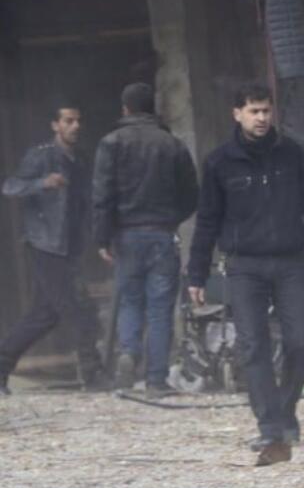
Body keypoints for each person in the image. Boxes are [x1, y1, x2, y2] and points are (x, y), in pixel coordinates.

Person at [187, 84, 304, 466]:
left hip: (290, 260)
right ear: (237, 114)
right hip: (244, 266)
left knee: (302, 342)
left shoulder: (291, 152)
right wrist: (196, 275)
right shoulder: (219, 162)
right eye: (254, 111)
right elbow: (207, 221)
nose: (262, 118)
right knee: (253, 346)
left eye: (266, 111)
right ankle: (270, 426)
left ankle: (285, 409)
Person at [92, 83, 198, 393]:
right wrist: (171, 219)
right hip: (162, 234)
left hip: (126, 235)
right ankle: (155, 378)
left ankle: (128, 352)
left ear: (125, 109)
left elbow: (102, 196)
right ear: (153, 108)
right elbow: (191, 194)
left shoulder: (110, 143)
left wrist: (102, 238)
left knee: (130, 301)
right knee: (160, 306)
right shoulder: (172, 145)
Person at [0, 102, 104, 394]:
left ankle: (2, 364)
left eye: (78, 120)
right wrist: (42, 183)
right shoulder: (42, 156)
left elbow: (85, 204)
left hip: (69, 248)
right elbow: (10, 186)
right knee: (76, 308)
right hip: (45, 245)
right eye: (68, 121)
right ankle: (92, 373)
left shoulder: (79, 160)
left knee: (45, 315)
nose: (75, 126)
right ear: (55, 125)